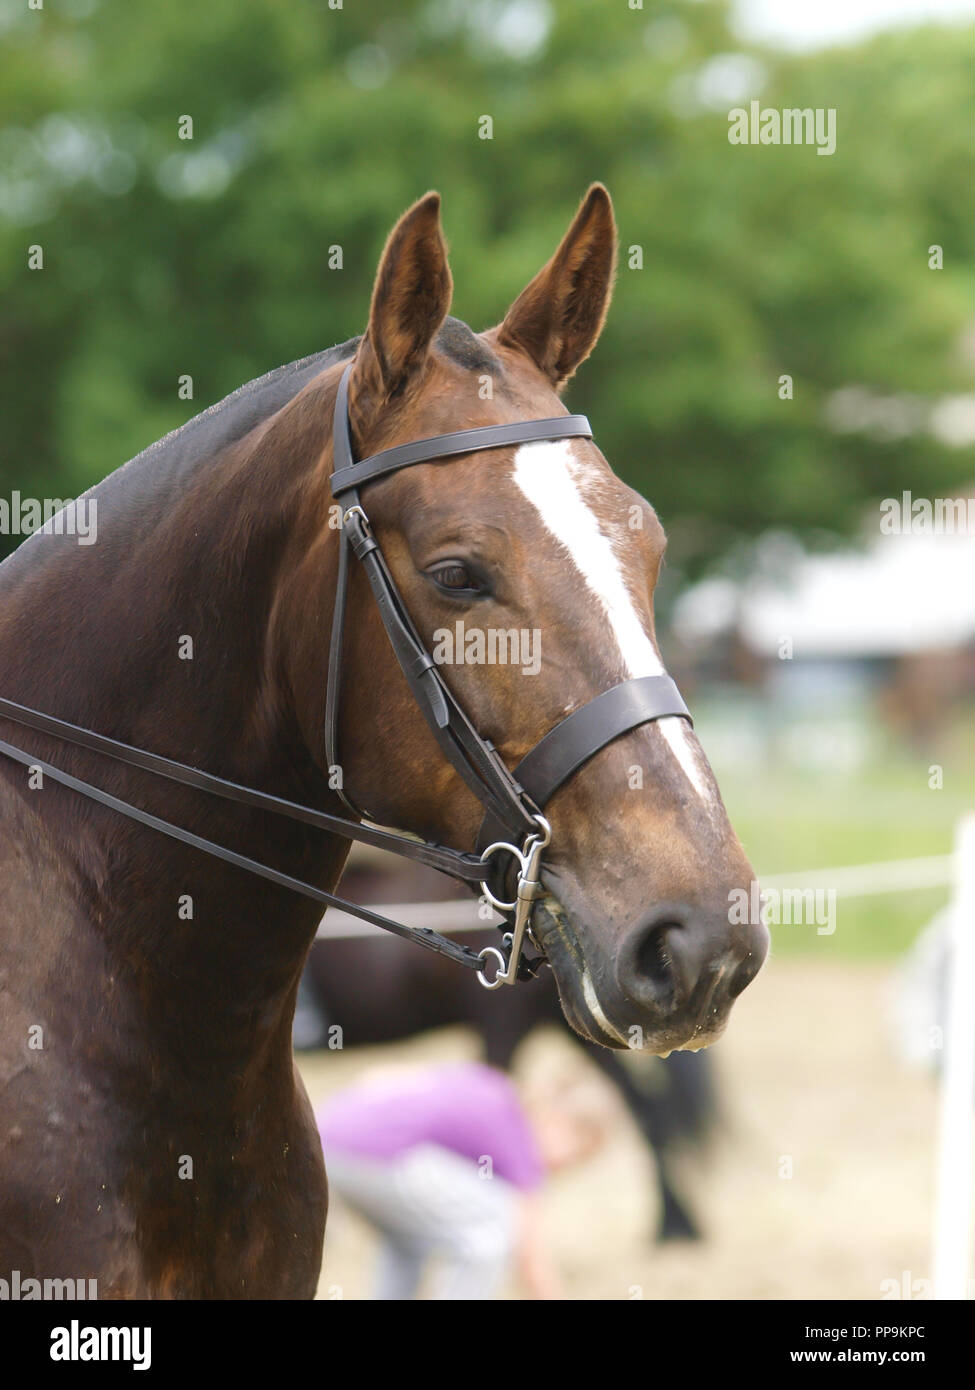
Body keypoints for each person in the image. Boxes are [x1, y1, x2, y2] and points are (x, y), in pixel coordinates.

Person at [316, 1059, 614, 1300]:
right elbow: (530, 1254)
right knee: (495, 1221)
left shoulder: (492, 1087)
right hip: (376, 1155)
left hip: (327, 1141)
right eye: (577, 1154)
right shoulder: (519, 1137)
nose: (566, 1168)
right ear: (558, 1119)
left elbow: (380, 1074)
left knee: (411, 1240)